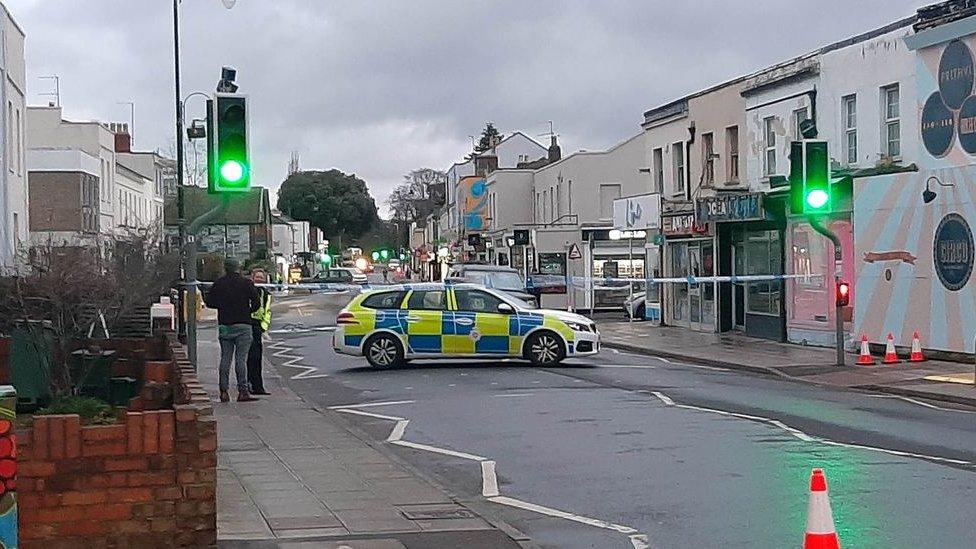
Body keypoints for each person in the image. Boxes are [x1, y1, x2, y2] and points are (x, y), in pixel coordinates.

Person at [204, 258, 261, 403]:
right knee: (241, 359)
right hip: (243, 324)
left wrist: (222, 307)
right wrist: (247, 311)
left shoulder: (219, 284)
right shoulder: (246, 283)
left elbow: (209, 302)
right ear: (238, 268)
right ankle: (243, 391)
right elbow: (257, 303)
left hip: (225, 324)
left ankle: (223, 391)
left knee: (225, 358)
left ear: (225, 268)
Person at [247, 268, 273, 395]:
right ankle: (249, 384)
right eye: (257, 277)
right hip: (247, 324)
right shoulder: (247, 290)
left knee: (257, 358)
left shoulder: (266, 294)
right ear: (252, 278)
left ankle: (258, 386)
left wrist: (263, 327)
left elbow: (267, 311)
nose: (259, 280)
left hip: (258, 326)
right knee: (250, 356)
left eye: (261, 278)